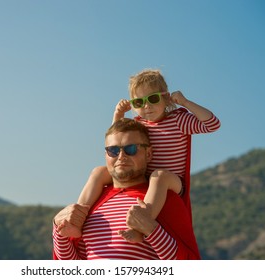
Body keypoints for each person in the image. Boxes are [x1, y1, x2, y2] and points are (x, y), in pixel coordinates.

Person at [59, 68, 221, 242]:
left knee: (159, 176)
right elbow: (117, 139)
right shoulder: (139, 124)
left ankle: (140, 227)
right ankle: (77, 218)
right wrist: (118, 115)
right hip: (143, 178)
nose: (146, 106)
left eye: (152, 99)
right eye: (138, 102)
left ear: (166, 98)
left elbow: (212, 124)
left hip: (171, 181)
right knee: (99, 171)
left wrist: (186, 102)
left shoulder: (178, 121)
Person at [53, 118, 200, 259]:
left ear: (148, 154)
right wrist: (59, 232)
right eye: (113, 150)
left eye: (131, 149)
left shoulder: (164, 199)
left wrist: (151, 230)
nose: (121, 156)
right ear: (106, 155)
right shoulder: (93, 200)